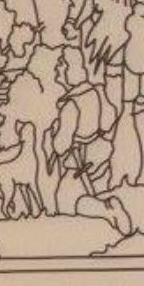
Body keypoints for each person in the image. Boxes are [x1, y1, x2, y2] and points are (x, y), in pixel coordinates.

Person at [45, 47, 134, 234]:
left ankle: (107, 210)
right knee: (88, 194)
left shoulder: (71, 105)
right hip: (100, 155)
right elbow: (109, 119)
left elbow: (61, 146)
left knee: (65, 201)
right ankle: (106, 210)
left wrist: (53, 135)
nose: (57, 69)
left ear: (70, 68)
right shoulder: (96, 92)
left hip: (79, 163)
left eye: (61, 64)